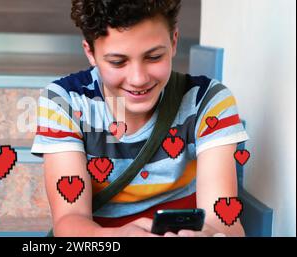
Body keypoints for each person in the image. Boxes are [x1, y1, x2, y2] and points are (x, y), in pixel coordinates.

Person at [31, 0, 248, 237]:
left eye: (154, 57)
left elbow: (226, 223)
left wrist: (209, 234)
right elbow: (69, 220)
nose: (138, 78)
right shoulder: (64, 101)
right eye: (118, 62)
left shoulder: (208, 101)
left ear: (174, 42)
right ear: (90, 53)